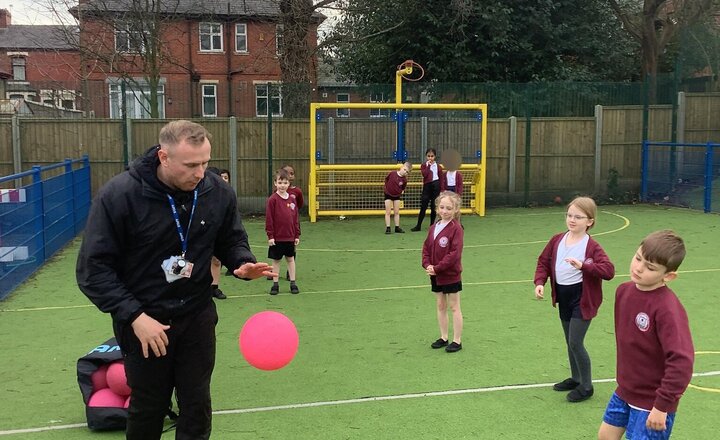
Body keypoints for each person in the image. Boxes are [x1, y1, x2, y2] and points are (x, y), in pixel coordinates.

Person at [76, 120, 274, 440]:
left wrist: (243, 262)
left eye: (205, 163)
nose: (200, 173)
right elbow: (93, 271)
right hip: (145, 321)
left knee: (197, 404)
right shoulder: (120, 195)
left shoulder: (216, 190)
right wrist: (135, 317)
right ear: (164, 157)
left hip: (196, 315)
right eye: (191, 165)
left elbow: (230, 239)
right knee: (148, 406)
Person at [598, 230, 694, 440]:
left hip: (653, 402)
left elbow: (682, 361)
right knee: (605, 436)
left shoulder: (668, 309)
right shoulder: (623, 291)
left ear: (668, 276)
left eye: (650, 267)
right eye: (638, 258)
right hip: (624, 391)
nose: (639, 268)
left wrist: (662, 406)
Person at [534, 196, 615, 403]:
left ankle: (586, 386)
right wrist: (540, 282)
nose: (572, 220)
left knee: (576, 342)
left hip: (582, 298)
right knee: (569, 341)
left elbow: (608, 271)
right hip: (563, 296)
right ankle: (576, 377)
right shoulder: (557, 240)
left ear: (590, 221)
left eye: (578, 217)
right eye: (569, 215)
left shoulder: (592, 247)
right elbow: (543, 261)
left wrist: (584, 266)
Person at [422, 191, 464, 353]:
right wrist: (427, 265)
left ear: (455, 210)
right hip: (435, 275)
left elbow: (454, 254)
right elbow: (426, 248)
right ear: (437, 208)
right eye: (442, 207)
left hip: (450, 275)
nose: (445, 211)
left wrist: (438, 267)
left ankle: (457, 340)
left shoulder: (456, 229)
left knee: (454, 307)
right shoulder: (434, 227)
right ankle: (444, 336)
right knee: (440, 305)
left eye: (448, 208)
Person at [266, 168, 301, 295]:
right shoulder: (272, 200)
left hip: (290, 237)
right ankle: (275, 284)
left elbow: (295, 218)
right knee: (276, 261)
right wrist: (270, 236)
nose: (282, 185)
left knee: (291, 259)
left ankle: (293, 283)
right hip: (277, 238)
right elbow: (269, 219)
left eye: (285, 183)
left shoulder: (292, 199)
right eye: (280, 182)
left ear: (288, 184)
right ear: (275, 183)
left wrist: (297, 234)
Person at [206, 167, 228, 299]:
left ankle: (214, 287)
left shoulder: (223, 197)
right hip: (197, 234)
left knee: (216, 260)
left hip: (216, 232)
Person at [411, 148, 442, 232]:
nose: (430, 158)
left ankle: (432, 226)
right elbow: (424, 174)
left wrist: (441, 189)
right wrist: (428, 166)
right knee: (423, 206)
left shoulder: (438, 167)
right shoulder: (424, 165)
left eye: (432, 156)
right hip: (427, 186)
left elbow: (441, 178)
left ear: (435, 157)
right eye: (428, 156)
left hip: (436, 186)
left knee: (433, 207)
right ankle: (418, 225)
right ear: (426, 156)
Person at [384, 162, 412, 234]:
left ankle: (397, 227)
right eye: (405, 169)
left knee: (396, 212)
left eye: (407, 172)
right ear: (402, 167)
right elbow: (386, 180)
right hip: (388, 195)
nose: (405, 172)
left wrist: (401, 191)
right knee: (388, 212)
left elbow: (403, 187)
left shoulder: (404, 180)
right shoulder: (392, 173)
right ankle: (388, 227)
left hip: (397, 196)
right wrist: (387, 189)